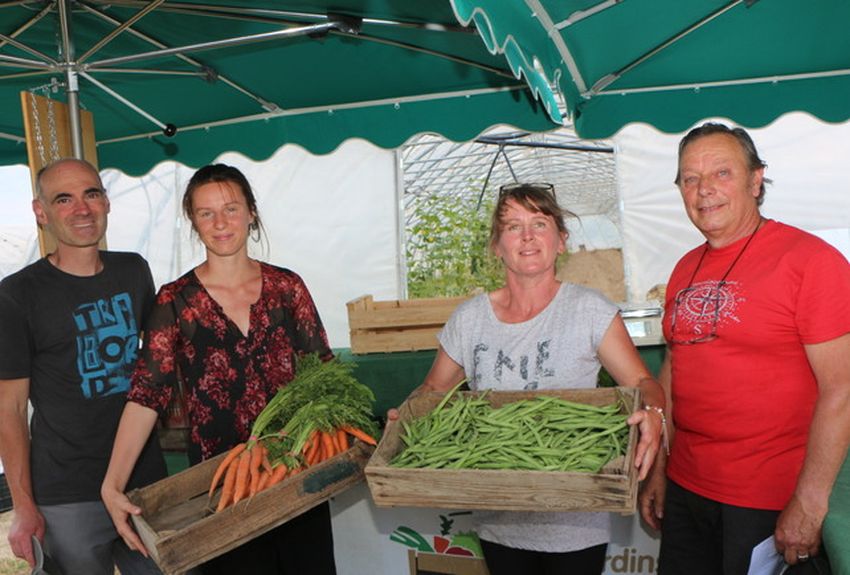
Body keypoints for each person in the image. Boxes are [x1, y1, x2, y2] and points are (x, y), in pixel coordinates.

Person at [392, 183, 666, 575]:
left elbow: (642, 381)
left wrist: (654, 410)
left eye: (539, 224)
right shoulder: (470, 319)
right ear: (495, 246)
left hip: (576, 518)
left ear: (561, 241)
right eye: (512, 227)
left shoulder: (590, 310)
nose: (527, 237)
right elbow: (433, 390)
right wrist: (404, 420)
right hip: (499, 516)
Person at [100, 163, 337, 575]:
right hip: (223, 487)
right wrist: (112, 483)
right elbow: (146, 395)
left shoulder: (288, 288)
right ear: (193, 221)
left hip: (295, 473)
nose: (220, 223)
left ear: (251, 213)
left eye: (231, 208)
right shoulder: (174, 301)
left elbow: (322, 376)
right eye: (206, 213)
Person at [639, 122, 850, 574]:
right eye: (690, 178)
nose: (704, 190)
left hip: (768, 500)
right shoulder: (683, 268)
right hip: (688, 490)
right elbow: (675, 370)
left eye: (721, 173)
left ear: (756, 180)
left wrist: (810, 504)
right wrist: (660, 470)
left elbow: (842, 389)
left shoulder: (811, 261)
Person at [0, 158, 167, 574]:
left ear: (107, 202)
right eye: (64, 198)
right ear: (42, 213)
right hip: (68, 493)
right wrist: (23, 507)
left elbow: (157, 366)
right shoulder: (16, 295)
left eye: (91, 193)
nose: (82, 208)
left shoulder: (134, 270)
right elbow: (10, 409)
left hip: (143, 480)